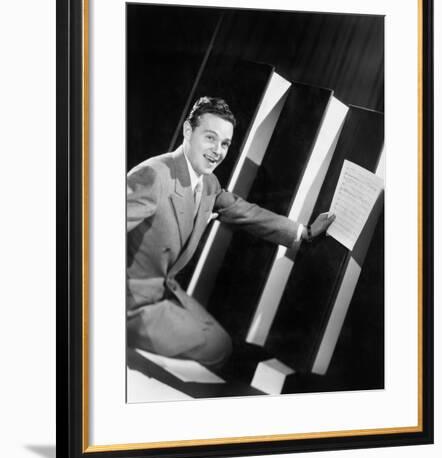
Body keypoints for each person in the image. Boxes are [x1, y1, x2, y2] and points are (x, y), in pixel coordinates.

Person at [127, 97, 335, 369]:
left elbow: (245, 212)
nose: (217, 151)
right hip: (129, 304)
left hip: (162, 292)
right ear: (188, 131)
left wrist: (304, 232)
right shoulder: (153, 174)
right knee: (217, 349)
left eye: (225, 144)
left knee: (220, 344)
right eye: (210, 138)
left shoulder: (208, 183)